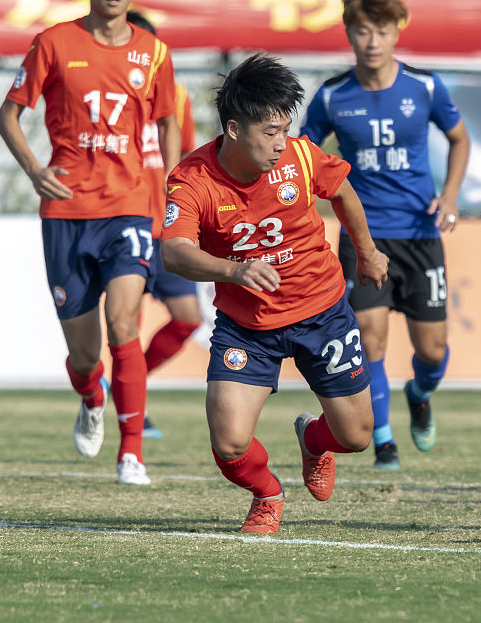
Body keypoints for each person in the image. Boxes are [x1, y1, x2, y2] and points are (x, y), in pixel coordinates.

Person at [161, 53, 388, 534]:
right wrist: (233, 270)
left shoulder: (301, 157)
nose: (281, 143)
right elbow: (174, 252)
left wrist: (367, 253)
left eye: (285, 129)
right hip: (248, 329)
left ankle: (314, 438)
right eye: (270, 132)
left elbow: (342, 191)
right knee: (228, 443)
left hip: (321, 313)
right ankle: (268, 494)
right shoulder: (192, 180)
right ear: (234, 128)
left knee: (357, 436)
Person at [0, 0, 180, 486]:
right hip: (67, 214)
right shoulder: (53, 43)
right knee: (83, 353)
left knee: (125, 321)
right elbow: (9, 115)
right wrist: (34, 170)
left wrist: (169, 186)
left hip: (129, 209)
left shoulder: (154, 53)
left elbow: (170, 122)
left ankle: (132, 454)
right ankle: (89, 395)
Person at [301, 0, 470, 470]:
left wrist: (451, 196)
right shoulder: (332, 96)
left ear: (396, 32)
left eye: (380, 30)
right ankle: (383, 441)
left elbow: (460, 139)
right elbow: (303, 155)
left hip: (420, 235)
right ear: (349, 35)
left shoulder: (425, 86)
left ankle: (419, 393)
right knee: (369, 339)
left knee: (432, 351)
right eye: (361, 31)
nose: (371, 41)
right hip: (363, 237)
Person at [127, 10, 201, 439]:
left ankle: (130, 386)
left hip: (168, 227)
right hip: (129, 220)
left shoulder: (178, 96)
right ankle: (131, 406)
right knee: (126, 323)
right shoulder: (111, 90)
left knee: (188, 319)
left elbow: (187, 157)